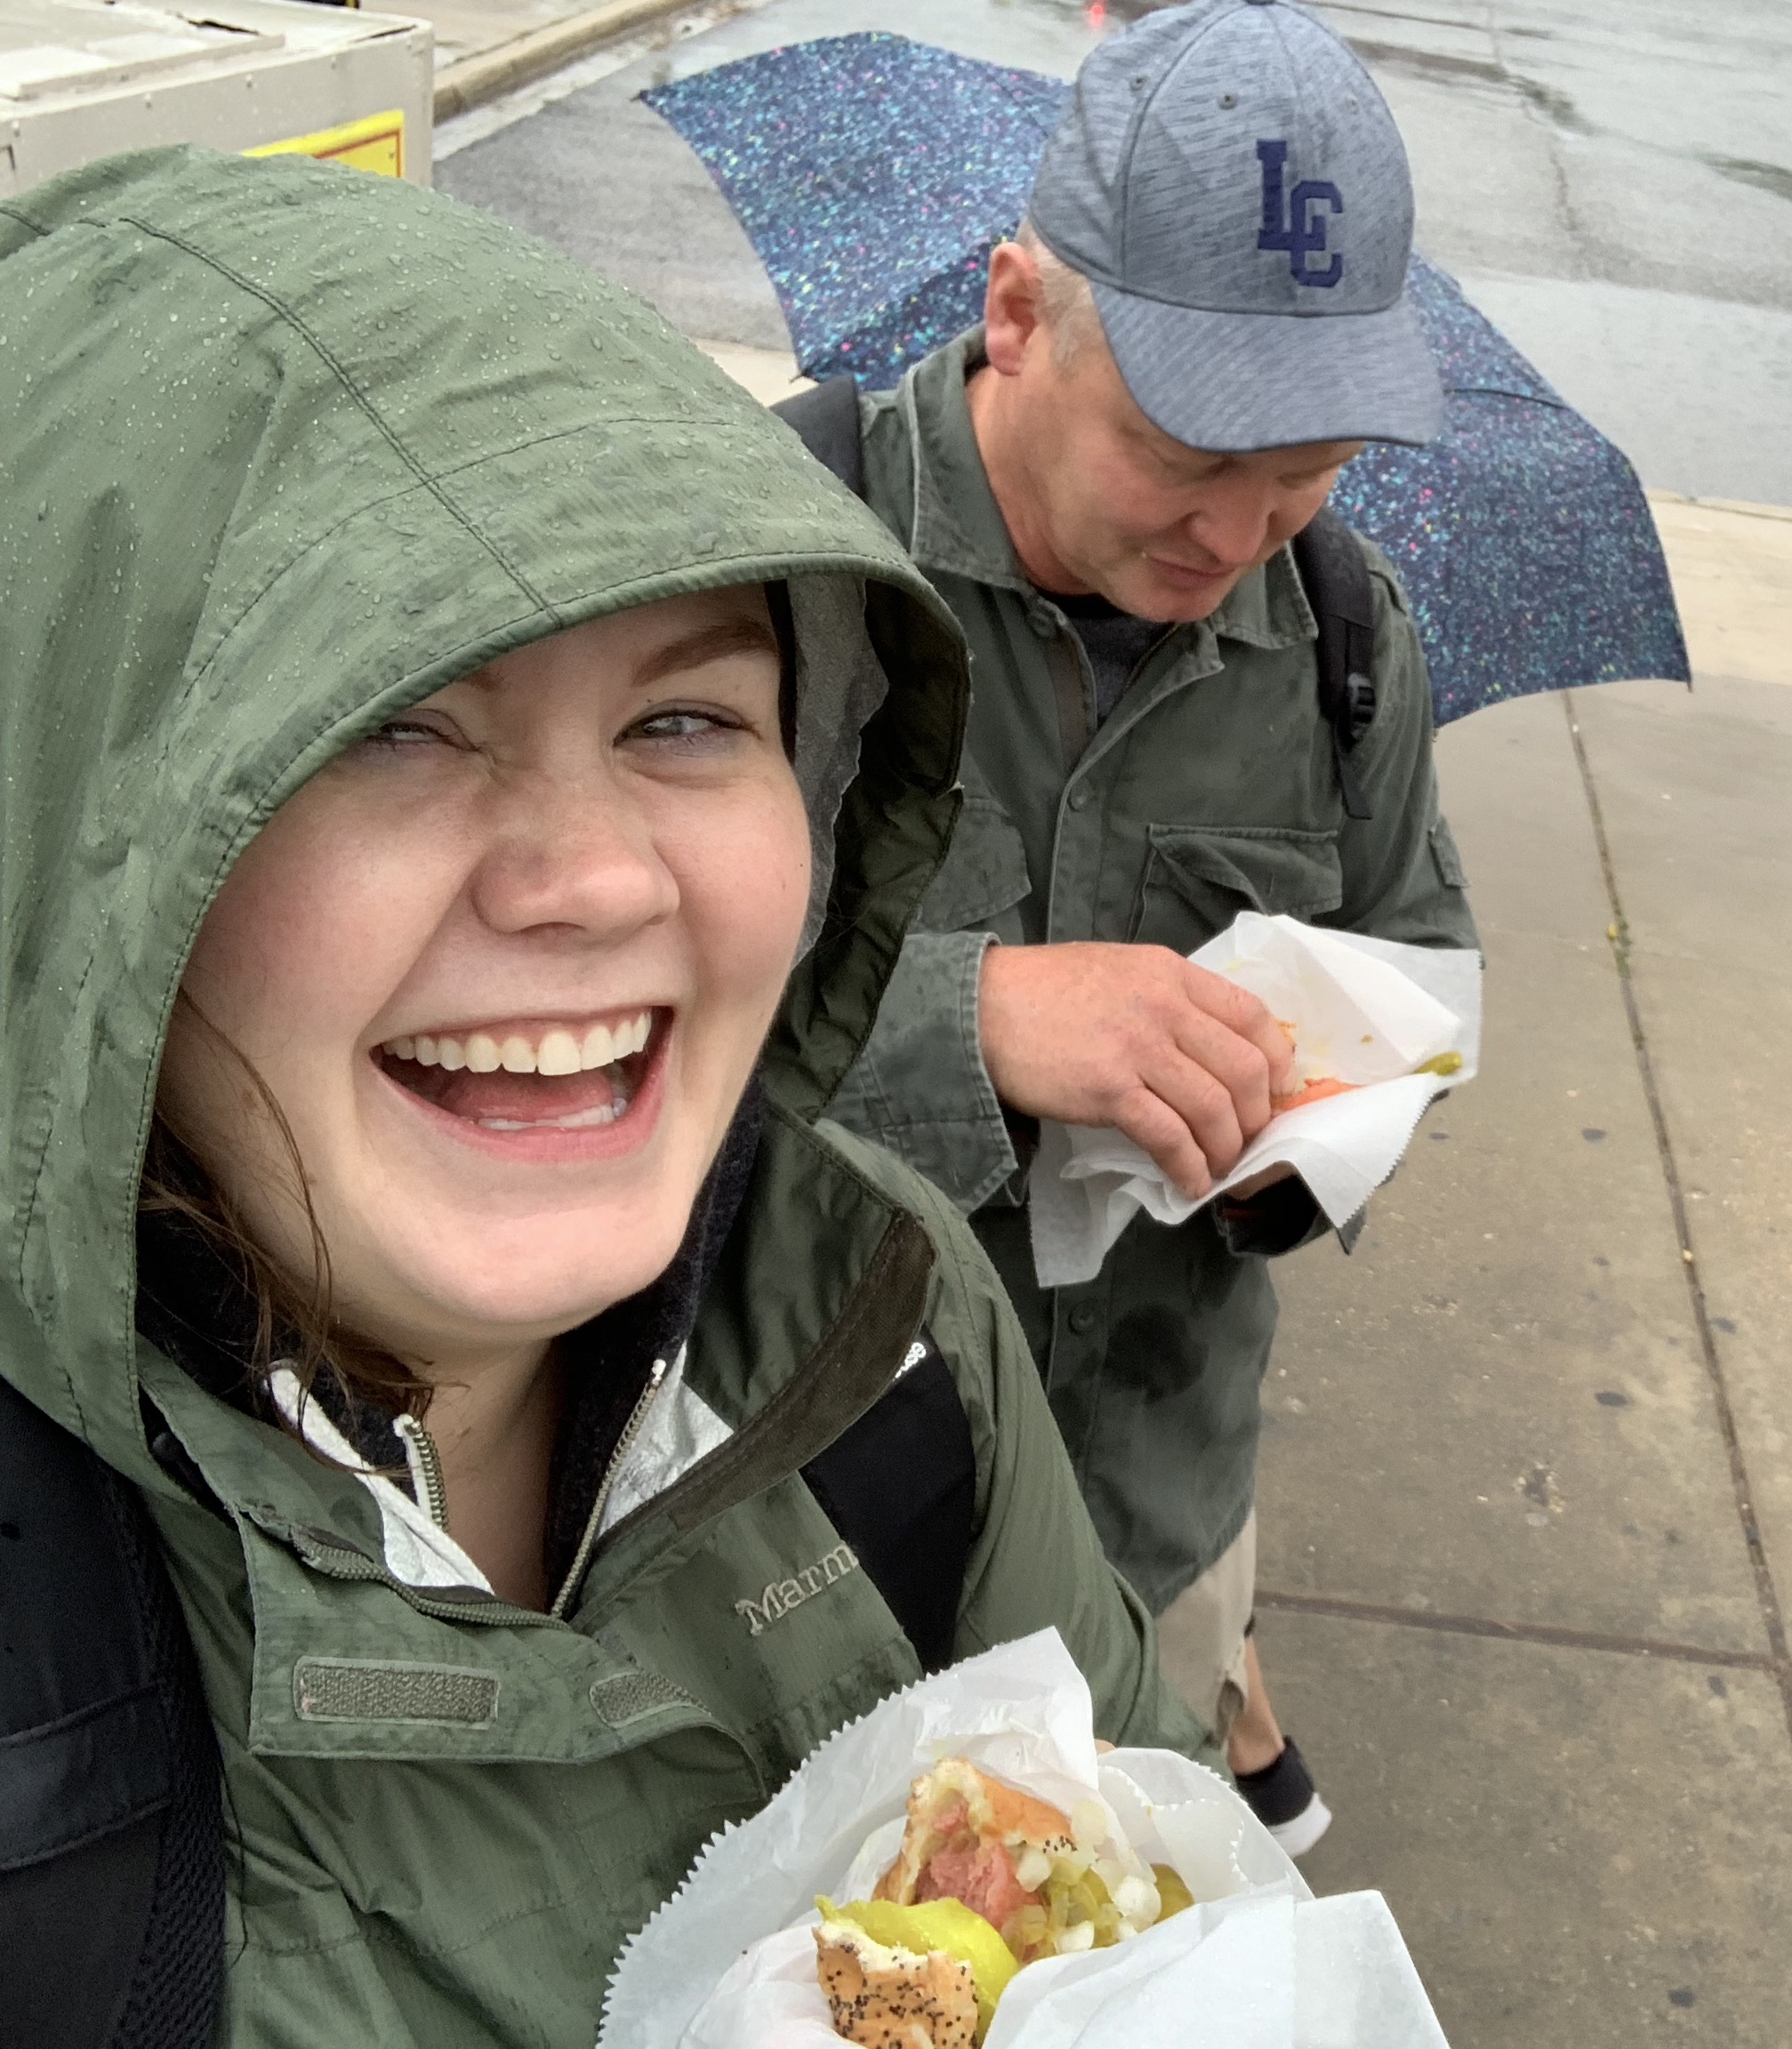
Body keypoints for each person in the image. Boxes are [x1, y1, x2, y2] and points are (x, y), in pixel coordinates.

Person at [0, 145, 1209, 2046]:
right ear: (72, 844)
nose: (594, 879)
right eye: (391, 725)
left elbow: (1175, 1895)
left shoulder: (879, 1327)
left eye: (684, 719)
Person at [823, 0, 1475, 1853]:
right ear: (1017, 314)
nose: (1239, 528)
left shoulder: (1346, 635)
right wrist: (971, 1023)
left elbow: (1416, 955)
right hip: (802, 1532)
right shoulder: (785, 573)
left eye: (1310, 462)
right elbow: (591, 1027)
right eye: (1188, 448)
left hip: (1153, 1518)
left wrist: (1303, 1146)